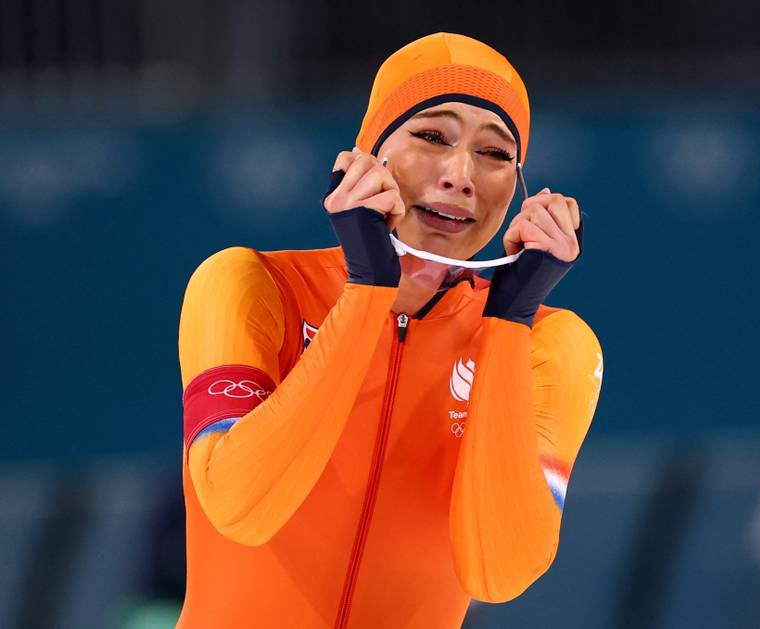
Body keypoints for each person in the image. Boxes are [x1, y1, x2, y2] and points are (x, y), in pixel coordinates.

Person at [176, 32, 604, 629]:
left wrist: (508, 321)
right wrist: (367, 293)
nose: (460, 174)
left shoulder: (549, 342)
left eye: (495, 153)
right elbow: (240, 505)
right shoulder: (253, 286)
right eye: (432, 136)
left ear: (520, 186)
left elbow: (498, 571)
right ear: (368, 155)